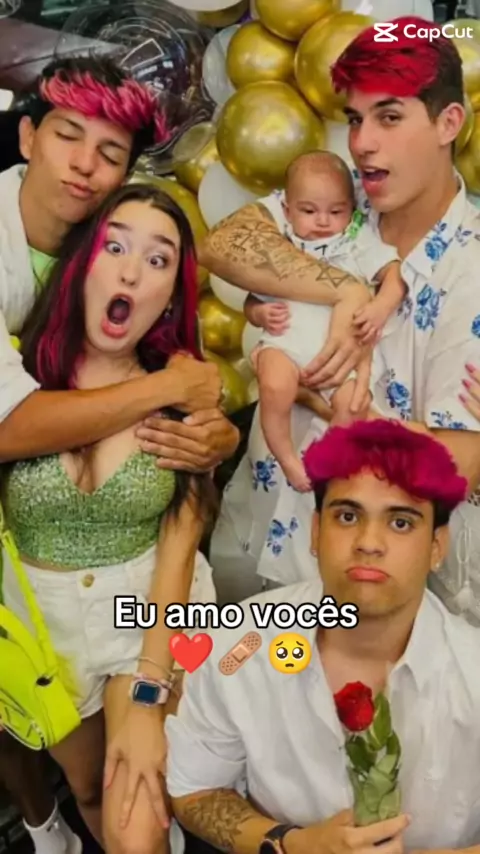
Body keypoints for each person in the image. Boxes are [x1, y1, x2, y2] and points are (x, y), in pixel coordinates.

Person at [0, 55, 238, 854]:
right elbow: (8, 427)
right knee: (86, 789)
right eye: (67, 136)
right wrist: (178, 384)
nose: (83, 165)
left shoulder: (173, 387)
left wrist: (147, 690)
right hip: (41, 629)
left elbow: (183, 533)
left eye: (109, 152)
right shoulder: (34, 340)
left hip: (142, 623)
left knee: (136, 806)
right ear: (27, 137)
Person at [204, 16, 480, 617]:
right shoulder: (339, 197)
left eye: (389, 116)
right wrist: (348, 290)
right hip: (254, 539)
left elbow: (455, 465)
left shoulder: (472, 269)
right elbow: (223, 244)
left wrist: (319, 401)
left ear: (448, 123)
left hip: (378, 599)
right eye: (355, 119)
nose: (362, 143)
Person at [165, 419, 480, 854]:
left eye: (401, 522)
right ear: (315, 532)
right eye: (347, 516)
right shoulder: (239, 647)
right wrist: (293, 845)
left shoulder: (472, 670)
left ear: (437, 547)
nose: (369, 542)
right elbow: (196, 791)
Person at [244, 150, 405, 491]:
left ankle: (329, 462)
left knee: (353, 405)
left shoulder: (356, 241)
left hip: (342, 357)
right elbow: (252, 299)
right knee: (273, 387)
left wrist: (380, 307)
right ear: (287, 210)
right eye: (308, 211)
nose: (322, 221)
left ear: (352, 209)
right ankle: (287, 459)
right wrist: (258, 313)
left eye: (336, 211)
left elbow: (394, 277)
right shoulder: (280, 246)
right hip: (286, 343)